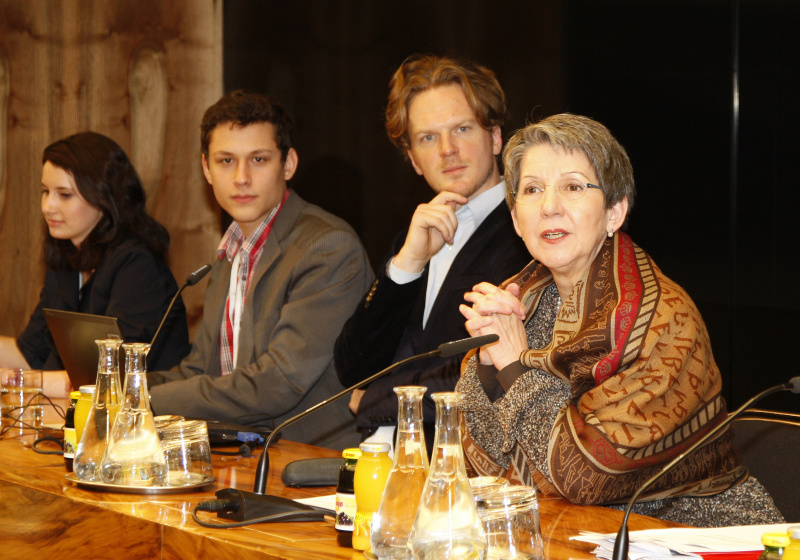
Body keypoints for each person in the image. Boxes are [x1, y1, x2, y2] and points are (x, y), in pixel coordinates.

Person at [456, 113, 784, 526]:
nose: (550, 206)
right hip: (568, 526)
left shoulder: (663, 317)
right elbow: (478, 467)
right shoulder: (519, 302)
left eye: (573, 187)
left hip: (692, 531)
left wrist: (516, 370)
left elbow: (588, 475)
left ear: (615, 211)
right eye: (533, 190)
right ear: (517, 219)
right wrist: (487, 368)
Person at [147, 90, 373, 450]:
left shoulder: (328, 246)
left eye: (258, 159)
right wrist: (122, 386)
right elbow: (201, 371)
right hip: (242, 455)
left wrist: (144, 402)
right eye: (225, 161)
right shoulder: (231, 251)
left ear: (288, 164)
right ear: (206, 168)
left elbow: (278, 383)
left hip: (310, 466)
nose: (241, 177)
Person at [334, 54, 529, 446]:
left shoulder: (526, 233)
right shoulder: (416, 232)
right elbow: (354, 367)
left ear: (494, 137)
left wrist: (377, 400)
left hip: (471, 470)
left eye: (461, 128)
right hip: (392, 464)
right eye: (428, 138)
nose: (447, 150)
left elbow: (479, 371)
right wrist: (407, 264)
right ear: (412, 159)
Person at [0, 132, 190, 395]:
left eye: (64, 195)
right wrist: (20, 377)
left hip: (145, 424)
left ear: (104, 199)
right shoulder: (65, 262)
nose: (47, 206)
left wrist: (16, 381)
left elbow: (109, 379)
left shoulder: (137, 267)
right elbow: (30, 354)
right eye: (45, 192)